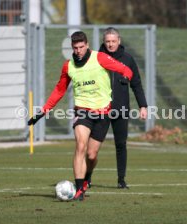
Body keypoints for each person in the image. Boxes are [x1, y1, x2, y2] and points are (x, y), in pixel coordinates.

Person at [27, 31, 133, 201]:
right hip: (82, 111)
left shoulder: (100, 58)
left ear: (87, 45)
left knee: (91, 155)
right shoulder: (68, 66)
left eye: (81, 47)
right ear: (72, 47)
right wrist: (43, 112)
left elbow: (125, 69)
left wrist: (127, 76)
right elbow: (59, 90)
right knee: (80, 146)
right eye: (75, 48)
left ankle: (87, 178)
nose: (78, 51)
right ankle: (79, 189)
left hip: (103, 113)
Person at [84, 27, 148, 189]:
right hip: (100, 110)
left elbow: (136, 84)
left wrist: (143, 106)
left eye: (113, 41)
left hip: (121, 109)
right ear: (104, 42)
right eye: (108, 41)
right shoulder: (95, 59)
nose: (111, 44)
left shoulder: (127, 59)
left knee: (121, 144)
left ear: (119, 41)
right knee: (92, 150)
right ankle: (87, 177)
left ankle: (121, 180)